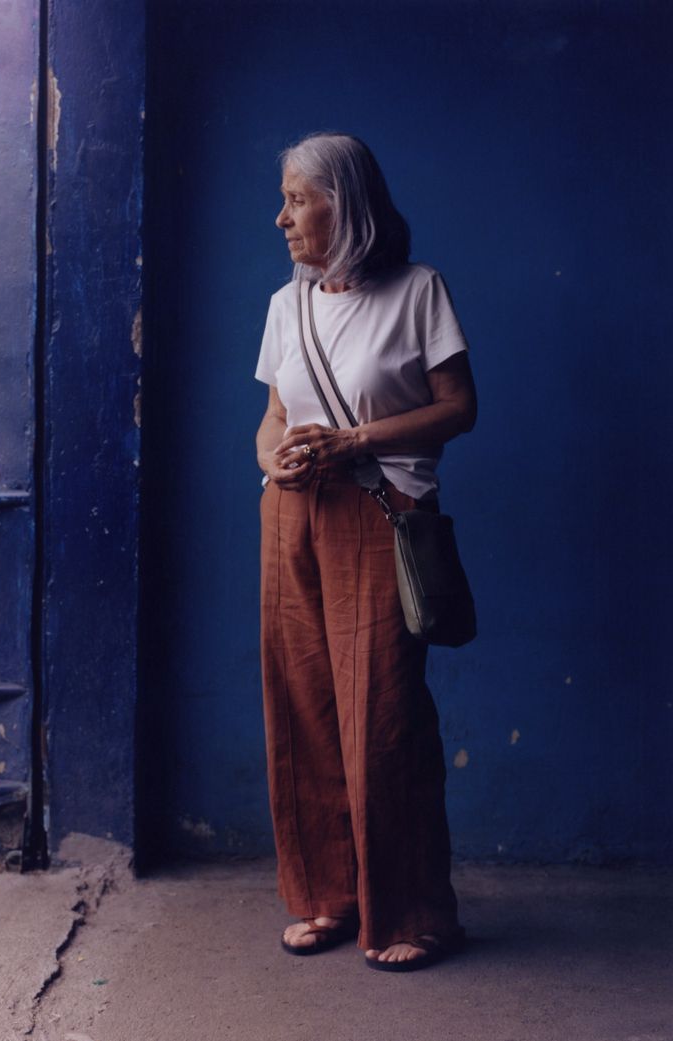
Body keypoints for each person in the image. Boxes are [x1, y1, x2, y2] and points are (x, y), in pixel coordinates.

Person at [254, 132, 477, 972]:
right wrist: (275, 458)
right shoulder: (288, 305)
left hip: (382, 513)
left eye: (297, 198)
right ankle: (326, 897)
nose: (282, 217)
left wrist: (357, 441)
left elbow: (459, 408)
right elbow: (274, 417)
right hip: (292, 513)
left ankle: (414, 911)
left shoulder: (419, 292)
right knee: (302, 704)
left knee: (384, 713)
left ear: (344, 203)